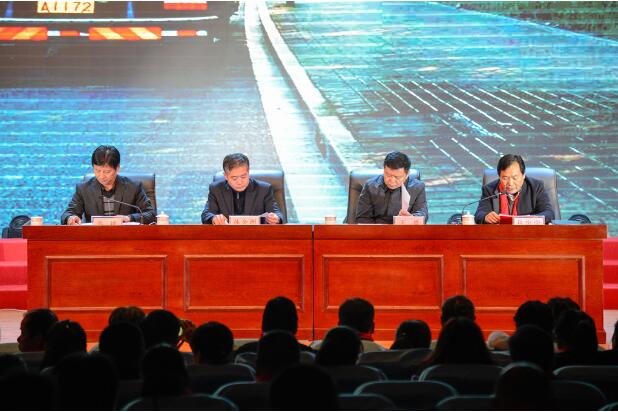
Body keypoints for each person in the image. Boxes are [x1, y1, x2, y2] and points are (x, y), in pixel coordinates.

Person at [60, 145, 155, 225]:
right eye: (97, 170)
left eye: (107, 172)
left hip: (125, 238)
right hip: (95, 238)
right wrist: (70, 218)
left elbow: (151, 214)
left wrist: (129, 218)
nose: (101, 176)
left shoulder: (133, 187)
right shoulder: (84, 189)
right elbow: (67, 214)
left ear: (117, 168)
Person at [201, 153, 284, 225]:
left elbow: (277, 213)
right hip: (226, 235)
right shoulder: (216, 189)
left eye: (243, 176)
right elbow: (207, 214)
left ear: (248, 172)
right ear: (226, 176)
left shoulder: (264, 189)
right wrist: (213, 218)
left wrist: (276, 218)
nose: (239, 182)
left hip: (256, 235)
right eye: (234, 178)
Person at [474, 154, 554, 224]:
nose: (510, 183)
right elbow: (479, 214)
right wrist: (485, 217)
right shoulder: (490, 189)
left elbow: (549, 213)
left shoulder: (536, 187)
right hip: (499, 234)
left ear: (523, 175)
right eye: (505, 178)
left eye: (515, 177)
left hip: (528, 233)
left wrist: (529, 220)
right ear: (499, 177)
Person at [356, 151, 428, 224]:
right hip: (378, 228)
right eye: (388, 175)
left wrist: (411, 218)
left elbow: (422, 214)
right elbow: (363, 218)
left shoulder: (417, 187)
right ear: (384, 170)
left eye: (397, 177)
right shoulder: (370, 186)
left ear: (407, 174)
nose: (392, 180)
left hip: (403, 228)